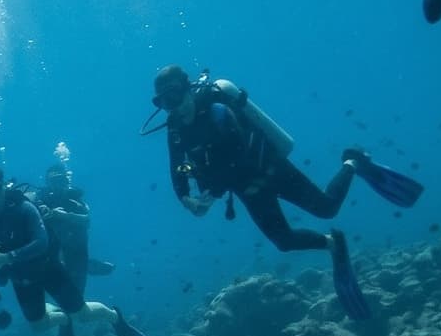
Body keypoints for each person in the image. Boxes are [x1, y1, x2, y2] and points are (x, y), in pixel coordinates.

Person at [150, 64, 422, 320]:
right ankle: (333, 243)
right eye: (164, 103)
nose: (173, 107)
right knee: (284, 242)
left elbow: (237, 152)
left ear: (187, 88)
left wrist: (215, 192)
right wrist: (187, 199)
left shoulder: (217, 107)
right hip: (246, 188)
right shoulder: (175, 128)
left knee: (326, 207)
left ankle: (353, 162)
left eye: (174, 97)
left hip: (270, 168)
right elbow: (177, 168)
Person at [0, 165, 152, 336]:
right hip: (22, 278)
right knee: (39, 326)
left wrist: (6, 258)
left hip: (49, 269)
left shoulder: (23, 208)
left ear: (3, 187)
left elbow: (41, 242)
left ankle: (116, 318)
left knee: (83, 314)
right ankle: (63, 319)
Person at [28, 160, 116, 292]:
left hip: (73, 245)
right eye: (54, 181)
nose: (58, 185)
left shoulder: (75, 200)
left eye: (61, 180)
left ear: (67, 181)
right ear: (47, 182)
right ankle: (79, 267)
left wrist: (66, 216)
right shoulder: (40, 198)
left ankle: (82, 266)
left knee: (76, 289)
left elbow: (86, 220)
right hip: (48, 247)